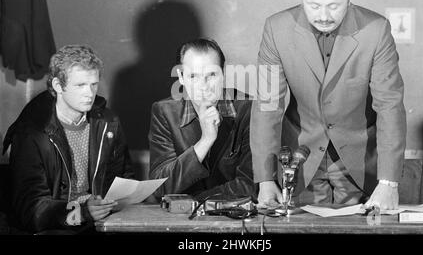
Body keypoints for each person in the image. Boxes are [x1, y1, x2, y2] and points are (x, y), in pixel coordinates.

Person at [250, 0, 406, 210]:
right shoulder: (276, 30)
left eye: (334, 6)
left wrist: (389, 183)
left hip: (360, 158)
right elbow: (267, 106)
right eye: (313, 5)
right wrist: (265, 179)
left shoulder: (377, 31)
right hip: (300, 158)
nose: (323, 16)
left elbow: (390, 105)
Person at [3, 45, 134, 234]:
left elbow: (124, 180)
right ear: (58, 86)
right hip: (56, 227)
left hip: (102, 223)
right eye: (80, 85)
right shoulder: (31, 131)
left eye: (93, 84)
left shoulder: (108, 122)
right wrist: (81, 213)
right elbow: (31, 210)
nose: (89, 93)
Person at [148, 38, 256, 201]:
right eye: (193, 76)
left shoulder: (248, 109)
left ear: (223, 73)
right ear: (181, 77)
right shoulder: (165, 112)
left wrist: (195, 202)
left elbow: (250, 185)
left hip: (234, 218)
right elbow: (159, 187)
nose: (203, 86)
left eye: (211, 75)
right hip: (180, 221)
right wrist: (205, 141)